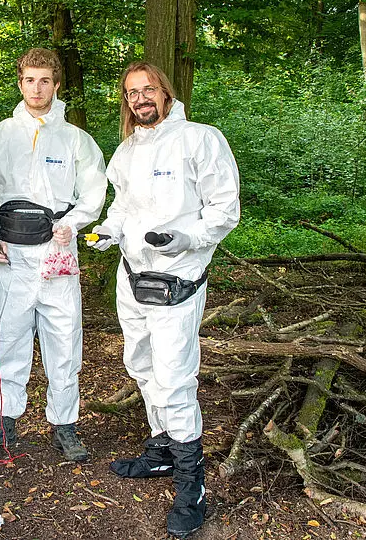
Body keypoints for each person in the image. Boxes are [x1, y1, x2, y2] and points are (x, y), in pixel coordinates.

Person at [87, 61, 240, 538]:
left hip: (178, 279)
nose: (140, 99)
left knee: (175, 377)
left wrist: (183, 237)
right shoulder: (129, 148)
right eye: (132, 93)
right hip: (131, 277)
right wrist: (107, 232)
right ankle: (162, 450)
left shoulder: (201, 139)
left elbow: (225, 210)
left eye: (148, 89)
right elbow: (124, 206)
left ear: (166, 93)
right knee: (141, 365)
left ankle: (192, 484)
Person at [0, 48, 107, 462]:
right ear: (20, 83)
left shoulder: (75, 139)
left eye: (45, 80)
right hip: (12, 256)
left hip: (58, 252)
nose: (37, 88)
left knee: (64, 340)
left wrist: (75, 222)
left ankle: (65, 424)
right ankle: (3, 422)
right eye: (29, 80)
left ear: (56, 84)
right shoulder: (0, 135)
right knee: (9, 338)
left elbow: (94, 190)